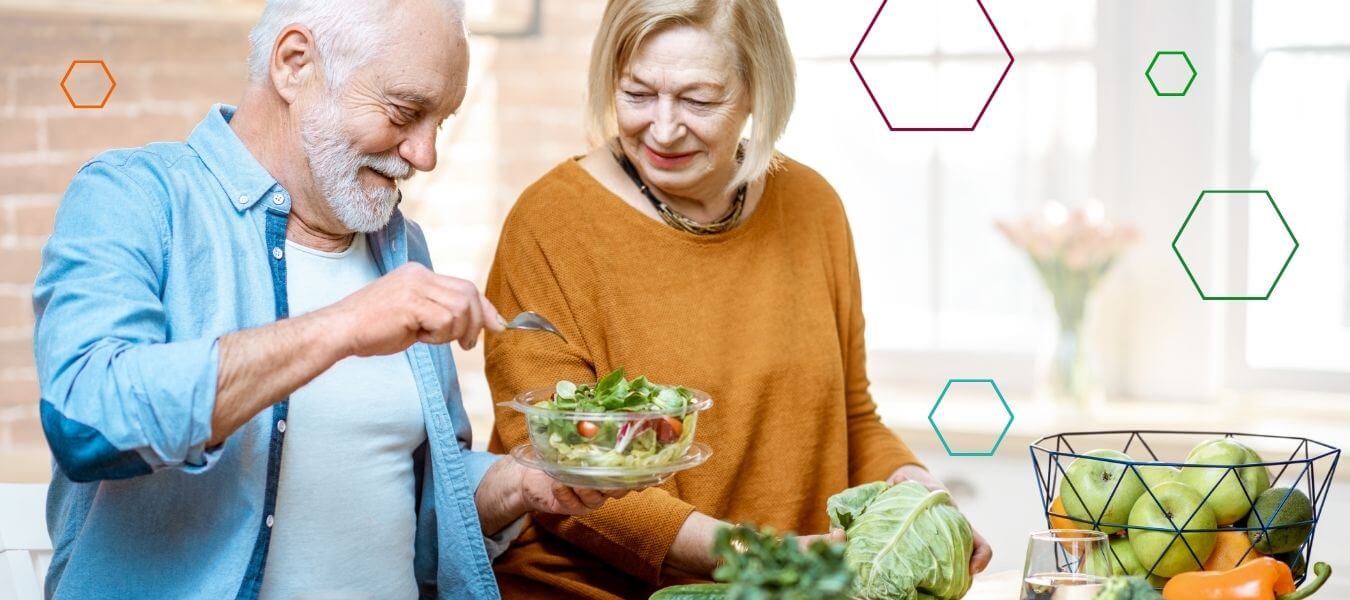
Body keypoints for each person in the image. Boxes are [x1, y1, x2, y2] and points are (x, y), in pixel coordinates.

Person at [31, 1, 620, 598]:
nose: (425, 155)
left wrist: (518, 484)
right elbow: (85, 420)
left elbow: (404, 513)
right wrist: (343, 325)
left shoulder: (401, 246)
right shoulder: (134, 198)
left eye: (438, 122)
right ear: (294, 64)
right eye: (404, 111)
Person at [482, 0, 995, 597]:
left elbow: (851, 416)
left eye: (700, 100)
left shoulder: (813, 207)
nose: (665, 128)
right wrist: (761, 557)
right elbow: (556, 472)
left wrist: (916, 496)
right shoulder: (549, 224)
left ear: (759, 89)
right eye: (638, 93)